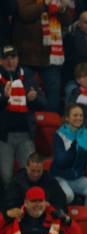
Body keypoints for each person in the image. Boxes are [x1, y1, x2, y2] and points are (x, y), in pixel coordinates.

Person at [12, 0, 74, 113]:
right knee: (27, 96)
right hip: (28, 57)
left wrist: (62, 9)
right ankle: (28, 127)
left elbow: (68, 21)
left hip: (51, 57)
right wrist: (45, 4)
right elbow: (25, 14)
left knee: (53, 99)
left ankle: (51, 126)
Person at [0, 45, 46, 187]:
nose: (10, 61)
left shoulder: (29, 76)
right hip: (4, 137)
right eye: (6, 58)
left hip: (25, 135)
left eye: (13, 57)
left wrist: (34, 98)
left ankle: (26, 206)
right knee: (6, 177)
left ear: (18, 59)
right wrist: (5, 98)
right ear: (0, 61)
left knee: (30, 176)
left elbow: (44, 103)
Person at [50, 104, 87, 210]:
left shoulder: (86, 134)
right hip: (60, 176)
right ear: (67, 118)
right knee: (68, 196)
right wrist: (74, 147)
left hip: (77, 177)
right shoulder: (59, 135)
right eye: (75, 115)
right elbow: (60, 161)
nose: (79, 118)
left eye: (81, 115)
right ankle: (64, 220)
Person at [3, 153, 67, 223]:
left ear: (43, 168)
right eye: (32, 171)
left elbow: (60, 200)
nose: (35, 174)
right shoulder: (16, 182)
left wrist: (54, 209)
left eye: (39, 171)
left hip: (46, 219)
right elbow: (9, 204)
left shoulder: (50, 181)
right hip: (23, 220)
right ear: (26, 167)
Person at [6, 186, 81, 234]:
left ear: (45, 203)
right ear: (26, 203)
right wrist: (5, 216)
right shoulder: (14, 220)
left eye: (40, 200)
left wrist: (67, 220)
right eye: (34, 201)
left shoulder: (56, 220)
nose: (37, 204)